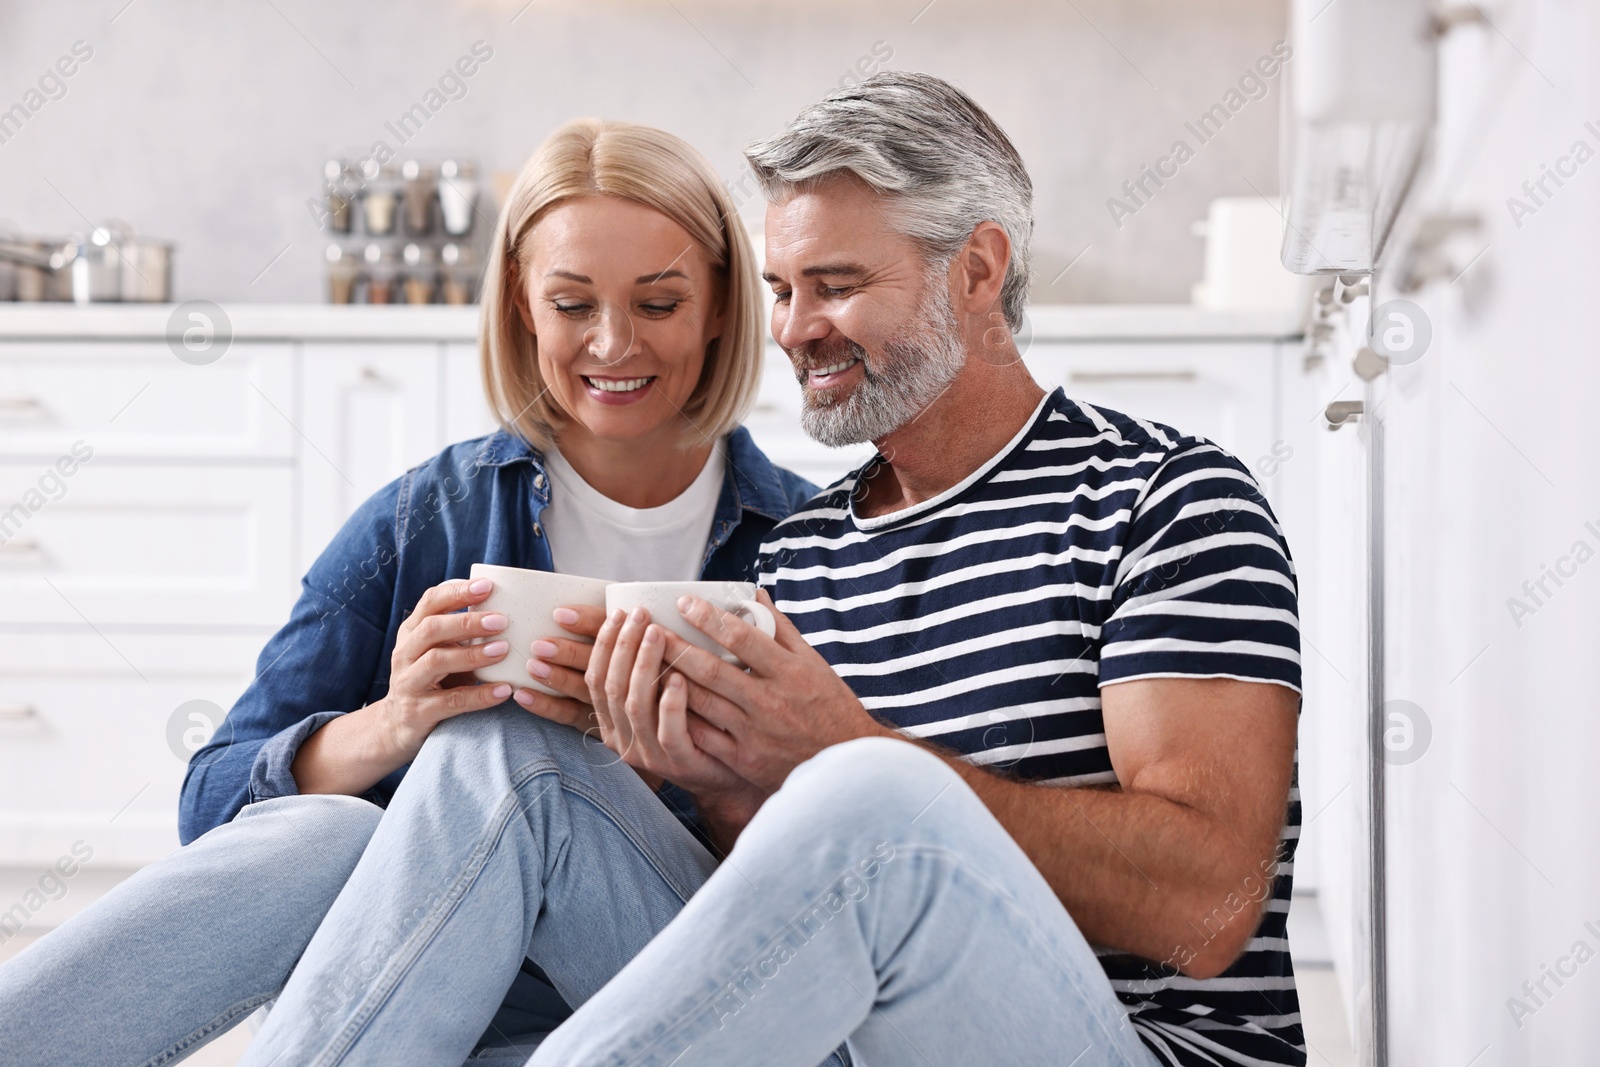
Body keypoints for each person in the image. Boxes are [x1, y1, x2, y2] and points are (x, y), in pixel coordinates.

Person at [221, 76, 1298, 1067]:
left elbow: (1208, 907)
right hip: (850, 1042)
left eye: (832, 286)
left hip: (1126, 1044)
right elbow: (782, 922)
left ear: (977, 269)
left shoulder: (1160, 497)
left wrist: (844, 754)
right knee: (514, 762)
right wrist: (686, 778)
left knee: (873, 787)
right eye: (781, 289)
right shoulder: (801, 551)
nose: (792, 332)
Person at [0, 117, 817, 1066]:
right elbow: (211, 811)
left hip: (651, 988)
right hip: (430, 995)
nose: (613, 342)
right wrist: (392, 724)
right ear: (521, 304)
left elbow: (851, 870)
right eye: (571, 303)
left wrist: (686, 775)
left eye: (660, 303)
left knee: (509, 755)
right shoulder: (425, 519)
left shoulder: (808, 547)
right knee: (325, 830)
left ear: (722, 303)